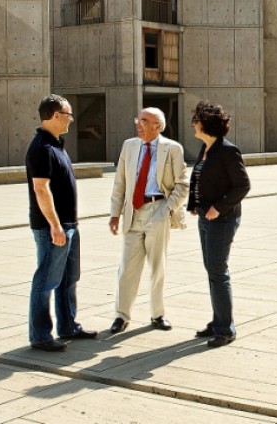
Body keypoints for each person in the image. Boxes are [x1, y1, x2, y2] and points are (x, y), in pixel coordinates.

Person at [25, 94, 97, 352]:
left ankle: (68, 326)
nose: (71, 119)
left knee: (68, 278)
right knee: (46, 280)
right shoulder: (41, 148)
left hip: (68, 225)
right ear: (56, 115)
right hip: (51, 228)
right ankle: (40, 335)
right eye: (68, 114)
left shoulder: (56, 145)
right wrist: (55, 226)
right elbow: (41, 189)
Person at [108, 107, 188, 335]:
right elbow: (120, 182)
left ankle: (157, 314)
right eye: (138, 119)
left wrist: (167, 209)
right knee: (127, 268)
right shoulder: (129, 146)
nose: (138, 124)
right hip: (133, 212)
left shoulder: (173, 148)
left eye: (144, 120)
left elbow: (183, 184)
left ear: (158, 126)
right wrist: (115, 214)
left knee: (157, 266)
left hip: (158, 208)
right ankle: (121, 315)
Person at [187, 101, 250, 348]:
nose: (193, 124)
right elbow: (198, 179)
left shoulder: (227, 151)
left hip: (223, 219)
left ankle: (225, 329)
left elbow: (242, 185)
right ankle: (218, 321)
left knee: (217, 270)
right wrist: (195, 204)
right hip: (206, 217)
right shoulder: (206, 148)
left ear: (206, 124)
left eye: (196, 120)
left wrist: (218, 207)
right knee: (212, 269)